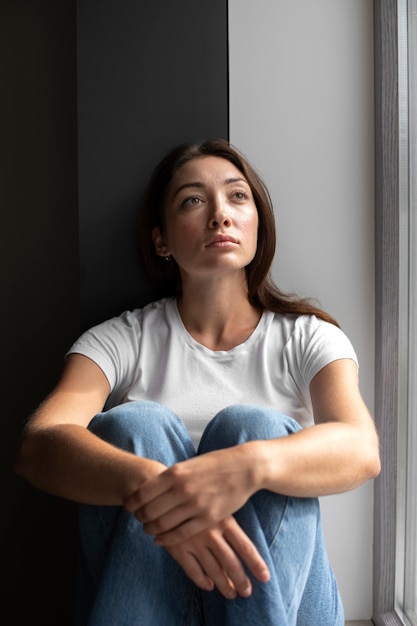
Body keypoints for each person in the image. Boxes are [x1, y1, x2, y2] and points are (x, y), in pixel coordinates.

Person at [14, 138, 381, 626]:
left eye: (237, 197)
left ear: (257, 225)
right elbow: (38, 446)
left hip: (284, 605)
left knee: (253, 427)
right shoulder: (121, 339)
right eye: (193, 200)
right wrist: (149, 487)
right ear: (161, 239)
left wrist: (249, 465)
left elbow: (361, 449)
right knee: (134, 428)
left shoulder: (309, 337)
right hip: (149, 585)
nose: (220, 215)